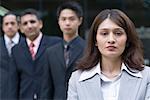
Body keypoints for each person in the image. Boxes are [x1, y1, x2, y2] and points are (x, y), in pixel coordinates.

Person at [67, 9, 150, 100]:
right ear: (95, 40)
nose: (111, 40)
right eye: (104, 33)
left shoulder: (146, 76)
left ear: (127, 40)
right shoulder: (77, 79)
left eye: (118, 33)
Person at [9, 8, 61, 100]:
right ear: (20, 28)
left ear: (40, 24)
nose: (29, 26)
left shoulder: (55, 44)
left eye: (32, 22)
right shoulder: (16, 50)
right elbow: (14, 81)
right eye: (25, 23)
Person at [41, 1, 85, 100]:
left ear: (80, 21)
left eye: (71, 19)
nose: (67, 23)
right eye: (63, 19)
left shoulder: (88, 49)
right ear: (58, 21)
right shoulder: (50, 52)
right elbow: (46, 86)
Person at [0, 11, 23, 99]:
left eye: (12, 23)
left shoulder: (27, 44)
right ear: (2, 27)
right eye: (6, 24)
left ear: (18, 26)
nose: (9, 26)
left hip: (23, 93)